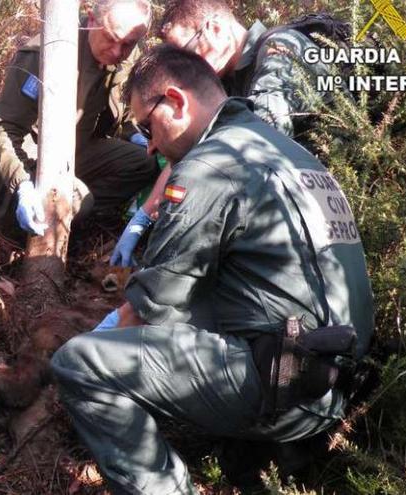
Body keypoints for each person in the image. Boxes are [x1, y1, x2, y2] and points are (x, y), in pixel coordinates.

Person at [51, 46, 374, 494]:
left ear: (176, 101)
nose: (149, 145)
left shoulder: (207, 168)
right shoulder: (290, 152)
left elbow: (151, 309)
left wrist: (98, 344)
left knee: (80, 364)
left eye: (147, 126)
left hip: (285, 387)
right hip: (338, 381)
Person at [111, 0, 332, 266]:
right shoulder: (224, 79)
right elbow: (194, 151)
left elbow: (260, 140)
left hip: (329, 205)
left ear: (214, 29)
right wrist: (145, 215)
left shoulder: (280, 48)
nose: (182, 70)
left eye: (188, 54)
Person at [0, 0, 160, 241]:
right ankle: (27, 227)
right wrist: (22, 185)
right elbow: (6, 129)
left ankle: (72, 215)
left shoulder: (127, 54)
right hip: (28, 156)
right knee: (76, 199)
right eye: (110, 37)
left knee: (142, 163)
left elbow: (121, 113)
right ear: (91, 18)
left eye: (127, 44)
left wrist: (135, 135)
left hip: (75, 150)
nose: (117, 51)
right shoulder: (45, 54)